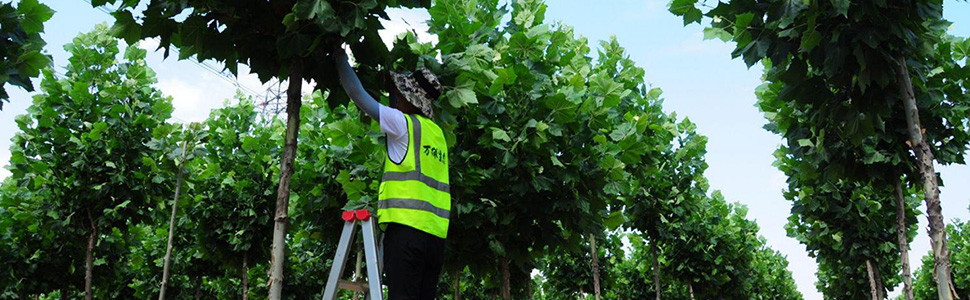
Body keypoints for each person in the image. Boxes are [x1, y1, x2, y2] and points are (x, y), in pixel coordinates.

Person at [333, 45, 451, 300]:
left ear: (411, 99)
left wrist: (339, 54)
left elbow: (357, 95)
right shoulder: (437, 135)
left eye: (400, 93)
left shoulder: (402, 124)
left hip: (407, 234)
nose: (396, 96)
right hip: (436, 240)